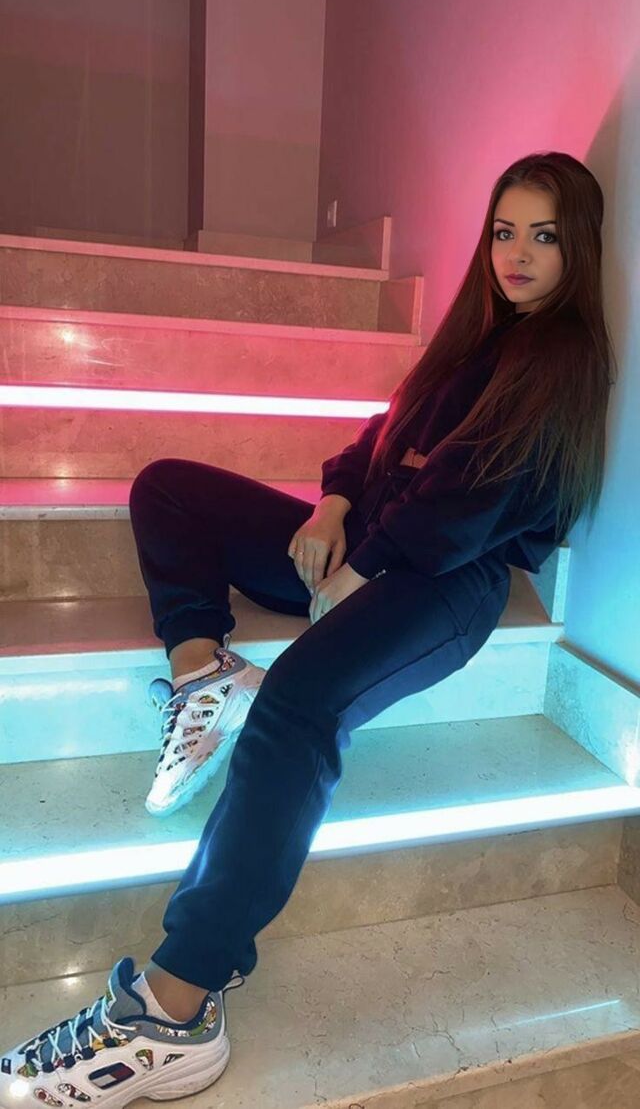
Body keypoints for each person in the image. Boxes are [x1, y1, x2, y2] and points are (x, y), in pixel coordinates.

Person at [1, 151, 615, 1107]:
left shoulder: (562, 356)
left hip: (447, 582)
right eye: (505, 231)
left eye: (543, 235)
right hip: (368, 542)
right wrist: (332, 506)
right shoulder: (473, 338)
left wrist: (369, 565)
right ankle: (202, 674)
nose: (518, 254)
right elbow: (379, 436)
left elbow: (473, 500)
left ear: (577, 244)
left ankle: (176, 1008)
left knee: (294, 703)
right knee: (168, 488)